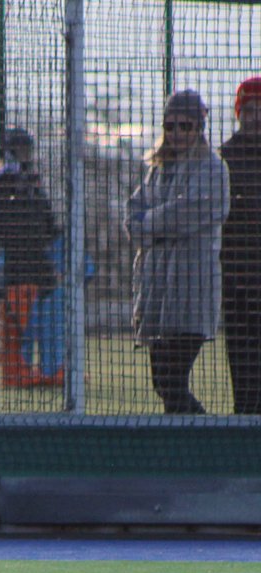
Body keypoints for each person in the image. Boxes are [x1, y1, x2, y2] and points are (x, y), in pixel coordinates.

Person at [125, 89, 229, 415]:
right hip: (156, 291)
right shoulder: (156, 169)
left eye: (185, 126)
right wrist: (152, 221)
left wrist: (152, 221)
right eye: (170, 126)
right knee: (162, 383)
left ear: (199, 128)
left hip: (191, 292)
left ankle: (206, 440)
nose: (177, 134)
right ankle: (187, 446)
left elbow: (189, 213)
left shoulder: (212, 168)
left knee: (172, 380)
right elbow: (132, 214)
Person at [0, 127, 61, 387]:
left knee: (47, 322)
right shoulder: (3, 182)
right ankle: (17, 372)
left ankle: (50, 370)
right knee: (18, 324)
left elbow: (47, 222)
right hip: (17, 269)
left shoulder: (32, 183)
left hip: (40, 267)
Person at [219, 77, 261, 415]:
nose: (256, 116)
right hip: (237, 281)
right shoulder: (224, 159)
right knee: (244, 360)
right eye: (249, 109)